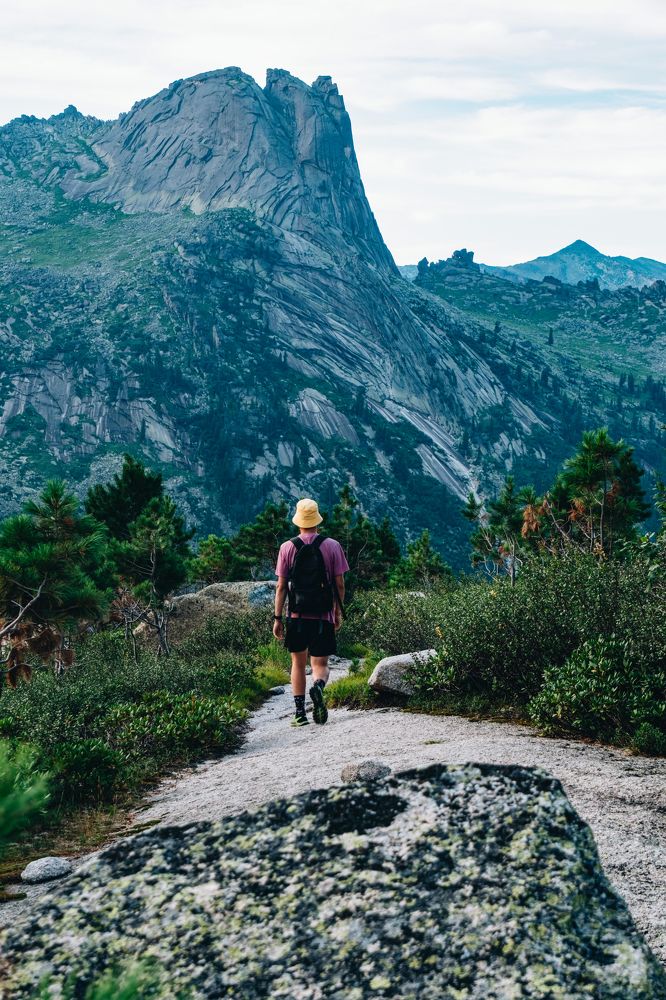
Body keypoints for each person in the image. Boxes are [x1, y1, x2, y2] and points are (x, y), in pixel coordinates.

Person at [273, 498, 349, 727]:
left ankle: (299, 714)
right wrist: (337, 612)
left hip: (296, 616)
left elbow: (281, 587)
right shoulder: (332, 546)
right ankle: (318, 686)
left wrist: (277, 618)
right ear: (317, 520)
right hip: (323, 616)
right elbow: (340, 584)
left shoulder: (287, 547)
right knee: (320, 664)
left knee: (297, 663)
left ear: (298, 521)